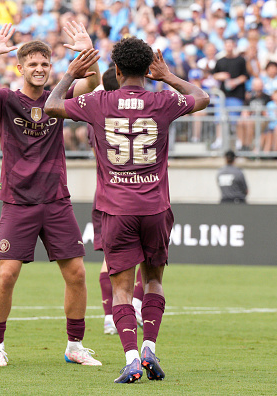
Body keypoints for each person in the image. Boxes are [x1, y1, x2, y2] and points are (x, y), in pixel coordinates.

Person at [44, 37, 209, 382]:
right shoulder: (163, 100)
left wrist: (71, 73)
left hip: (116, 210)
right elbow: (203, 98)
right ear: (147, 70)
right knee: (153, 281)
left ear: (116, 70)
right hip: (155, 208)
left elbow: (52, 106)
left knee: (121, 288)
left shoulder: (98, 101)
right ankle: (150, 347)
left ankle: (132, 358)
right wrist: (168, 77)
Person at [0, 22, 102, 367]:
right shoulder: (5, 100)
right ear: (20, 68)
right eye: (33, 64)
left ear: (50, 68)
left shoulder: (57, 101)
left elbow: (93, 84)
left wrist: (88, 54)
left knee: (76, 273)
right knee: (6, 274)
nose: (40, 69)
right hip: (18, 201)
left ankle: (75, 346)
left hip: (56, 200)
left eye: (45, 64)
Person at [88, 67, 144, 336]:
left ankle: (111, 317)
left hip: (107, 195)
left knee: (110, 261)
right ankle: (135, 304)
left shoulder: (96, 114)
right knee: (148, 257)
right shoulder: (143, 110)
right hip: (141, 193)